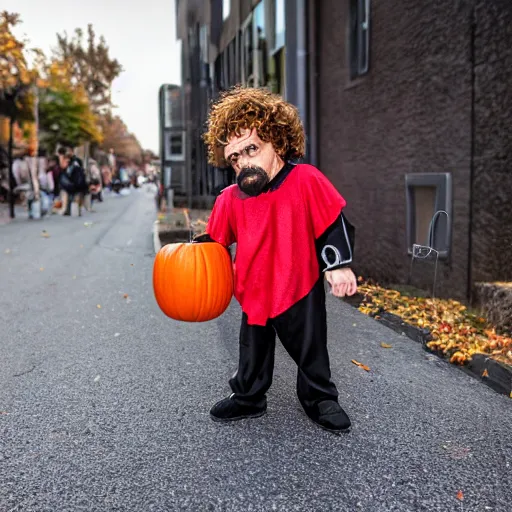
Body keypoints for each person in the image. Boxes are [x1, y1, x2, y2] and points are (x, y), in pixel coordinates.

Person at [197, 86, 358, 434]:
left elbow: (333, 224)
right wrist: (191, 260)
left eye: (251, 149)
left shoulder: (307, 180)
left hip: (299, 285)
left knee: (310, 347)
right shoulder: (229, 199)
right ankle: (249, 396)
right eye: (235, 157)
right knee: (251, 351)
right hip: (254, 291)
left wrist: (338, 264)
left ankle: (320, 397)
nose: (243, 162)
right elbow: (212, 246)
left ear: (277, 141)